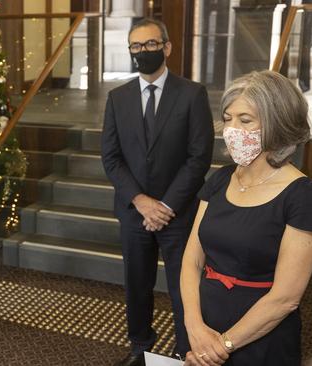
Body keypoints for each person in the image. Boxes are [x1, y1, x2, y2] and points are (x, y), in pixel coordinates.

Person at [180, 70, 312, 366]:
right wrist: (194, 326)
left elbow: (285, 298)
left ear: (276, 123)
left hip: (260, 337)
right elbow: (191, 260)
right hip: (204, 322)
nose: (232, 129)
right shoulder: (221, 179)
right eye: (227, 118)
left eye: (245, 120)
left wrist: (221, 346)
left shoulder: (304, 198)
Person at [101, 18, 215, 366]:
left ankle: (186, 351)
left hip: (177, 214)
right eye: (136, 46)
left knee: (185, 289)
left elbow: (199, 158)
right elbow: (111, 156)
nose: (143, 52)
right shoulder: (117, 98)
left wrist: (165, 205)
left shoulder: (192, 94)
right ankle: (140, 346)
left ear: (166, 47)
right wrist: (141, 201)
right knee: (137, 285)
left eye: (150, 44)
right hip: (134, 211)